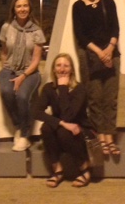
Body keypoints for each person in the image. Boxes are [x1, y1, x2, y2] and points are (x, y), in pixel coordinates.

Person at [72, 0, 121, 156]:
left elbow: (116, 28)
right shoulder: (78, 6)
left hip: (111, 56)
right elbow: (81, 35)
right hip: (91, 58)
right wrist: (100, 52)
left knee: (110, 98)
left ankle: (110, 137)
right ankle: (100, 136)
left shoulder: (108, 3)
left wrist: (110, 49)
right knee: (94, 98)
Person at [33, 53, 92, 188]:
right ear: (54, 69)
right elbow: (36, 112)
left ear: (72, 69)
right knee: (46, 128)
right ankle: (58, 170)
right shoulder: (49, 88)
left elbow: (68, 116)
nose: (62, 69)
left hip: (81, 129)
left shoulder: (79, 89)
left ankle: (84, 167)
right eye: (58, 65)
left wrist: (63, 88)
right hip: (63, 126)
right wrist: (61, 123)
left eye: (66, 65)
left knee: (63, 132)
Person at [0, 0, 46, 151]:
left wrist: (22, 76)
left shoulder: (37, 31)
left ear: (30, 8)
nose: (22, 9)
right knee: (6, 91)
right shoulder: (7, 27)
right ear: (14, 9)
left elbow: (36, 60)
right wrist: (4, 72)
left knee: (22, 96)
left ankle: (25, 135)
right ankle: (19, 125)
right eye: (19, 6)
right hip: (9, 69)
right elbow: (4, 52)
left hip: (29, 72)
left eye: (25, 6)